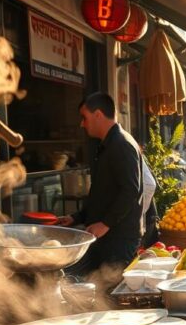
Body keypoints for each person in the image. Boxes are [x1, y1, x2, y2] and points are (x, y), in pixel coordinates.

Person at [57, 93, 143, 275]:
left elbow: (130, 191)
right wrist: (77, 217)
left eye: (84, 117)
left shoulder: (121, 144)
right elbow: (101, 194)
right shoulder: (108, 144)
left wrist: (105, 224)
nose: (82, 123)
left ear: (98, 115)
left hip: (118, 240)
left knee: (112, 296)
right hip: (106, 237)